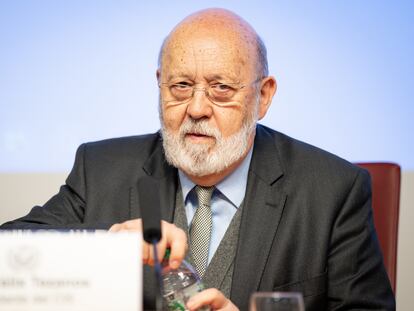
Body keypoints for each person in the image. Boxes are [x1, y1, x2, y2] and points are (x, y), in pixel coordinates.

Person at [1, 8, 395, 311]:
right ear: (160, 85)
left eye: (221, 89)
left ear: (264, 96)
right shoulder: (101, 168)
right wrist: (107, 246)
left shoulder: (332, 190)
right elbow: (8, 255)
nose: (197, 108)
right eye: (181, 86)